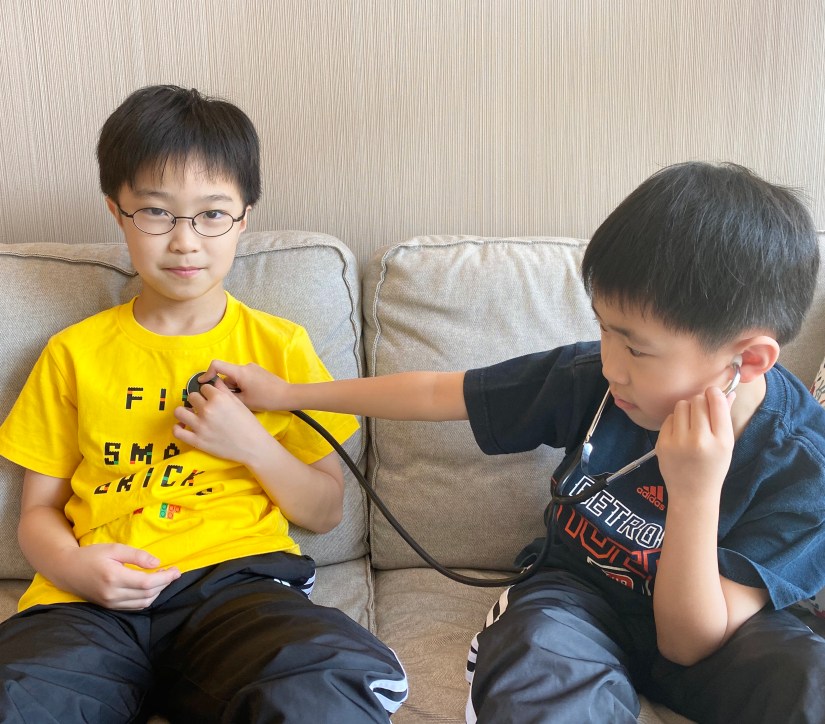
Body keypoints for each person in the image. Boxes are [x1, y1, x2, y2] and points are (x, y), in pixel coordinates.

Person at [187, 162, 825, 723]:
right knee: (534, 664)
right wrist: (288, 394)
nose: (610, 365)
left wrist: (695, 493)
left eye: (636, 348)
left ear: (748, 360)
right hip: (575, 604)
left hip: (715, 635)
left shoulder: (805, 467)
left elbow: (688, 643)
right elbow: (438, 393)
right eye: (605, 330)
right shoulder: (596, 380)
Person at [0, 85, 407, 723]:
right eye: (155, 213)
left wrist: (251, 445)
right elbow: (38, 514)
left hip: (237, 589)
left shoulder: (278, 347)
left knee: (322, 683)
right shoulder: (72, 353)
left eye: (212, 214)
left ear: (244, 218)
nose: (185, 242)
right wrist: (76, 568)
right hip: (89, 604)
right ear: (117, 212)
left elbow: (325, 509)